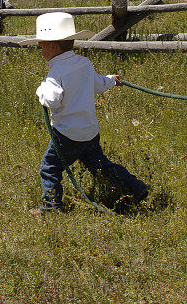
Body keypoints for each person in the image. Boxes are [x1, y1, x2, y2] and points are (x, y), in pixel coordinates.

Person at [20, 12, 149, 215]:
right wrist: (111, 80)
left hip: (67, 135)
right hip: (89, 132)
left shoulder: (55, 74)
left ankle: (51, 207)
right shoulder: (85, 64)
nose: (40, 48)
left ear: (53, 46)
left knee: (49, 167)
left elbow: (52, 101)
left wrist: (41, 90)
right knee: (103, 166)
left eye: (42, 44)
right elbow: (98, 84)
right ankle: (136, 187)